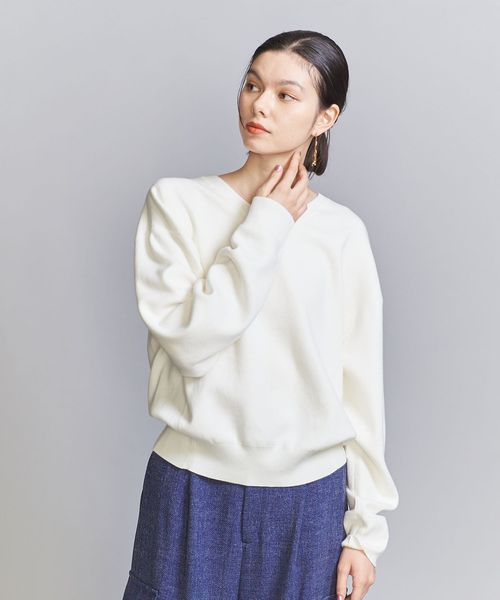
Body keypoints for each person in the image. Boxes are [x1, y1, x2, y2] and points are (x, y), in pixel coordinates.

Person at [123, 30, 399, 600]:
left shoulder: (342, 233)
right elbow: (191, 342)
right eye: (252, 85)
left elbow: (360, 388)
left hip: (310, 500)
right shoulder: (177, 205)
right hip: (192, 484)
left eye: (285, 94)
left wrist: (364, 533)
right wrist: (267, 223)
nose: (259, 105)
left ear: (326, 117)